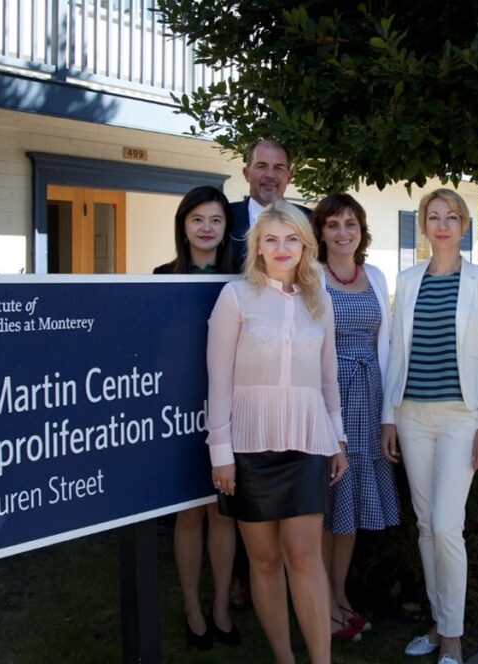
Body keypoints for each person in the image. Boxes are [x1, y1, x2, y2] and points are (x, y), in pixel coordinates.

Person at [206, 201, 349, 664]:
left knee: (305, 556)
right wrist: (220, 452)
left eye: (291, 238)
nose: (281, 247)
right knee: (264, 561)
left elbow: (329, 379)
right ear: (258, 247)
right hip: (247, 444)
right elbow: (218, 380)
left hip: (307, 440)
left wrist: (338, 439)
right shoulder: (235, 297)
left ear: (305, 244)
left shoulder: (320, 299)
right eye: (271, 239)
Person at [380, 189, 478, 664]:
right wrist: (389, 416)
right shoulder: (408, 280)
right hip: (412, 416)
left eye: (452, 217)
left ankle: (452, 634)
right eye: (434, 216)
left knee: (448, 526)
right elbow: (396, 352)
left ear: (464, 225)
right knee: (427, 526)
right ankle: (438, 621)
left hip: (460, 418)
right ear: (423, 225)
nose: (443, 224)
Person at [153, 185, 239, 650]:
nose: (207, 228)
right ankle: (192, 607)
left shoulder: (244, 280)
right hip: (180, 411)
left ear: (227, 229)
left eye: (216, 220)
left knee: (223, 514)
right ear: (183, 226)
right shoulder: (160, 277)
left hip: (229, 413)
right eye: (198, 219)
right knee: (189, 516)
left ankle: (222, 606)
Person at [311, 194, 400, 642]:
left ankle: (340, 595)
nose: (343, 232)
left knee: (350, 509)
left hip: (369, 399)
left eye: (351, 223)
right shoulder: (310, 276)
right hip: (329, 402)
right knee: (327, 507)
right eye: (333, 224)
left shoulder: (377, 275)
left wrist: (388, 418)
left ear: (362, 230)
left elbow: (386, 348)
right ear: (320, 232)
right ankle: (322, 604)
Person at [229, 139, 312, 267]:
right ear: (246, 174)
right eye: (261, 166)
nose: (270, 175)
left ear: (289, 177)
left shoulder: (310, 220)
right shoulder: (225, 217)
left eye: (278, 168)